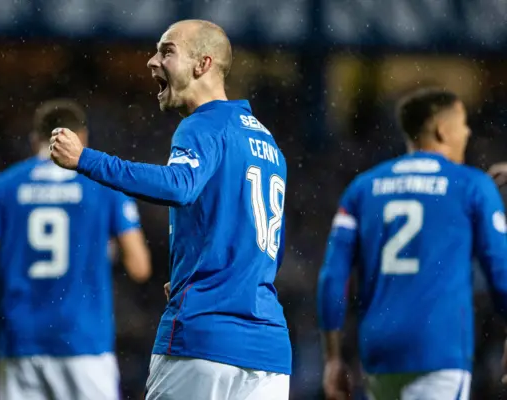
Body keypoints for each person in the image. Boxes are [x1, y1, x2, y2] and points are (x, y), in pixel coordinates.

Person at [50, 19, 291, 400]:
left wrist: (85, 159)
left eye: (167, 51)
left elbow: (179, 186)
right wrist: (196, 271)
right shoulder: (265, 140)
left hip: (204, 337)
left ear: (202, 64)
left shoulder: (203, 125)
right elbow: (255, 243)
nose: (151, 61)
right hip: (268, 349)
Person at [0, 99, 152, 400]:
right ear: (82, 138)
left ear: (35, 140)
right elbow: (139, 267)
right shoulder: (104, 185)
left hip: (22, 343)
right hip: (85, 342)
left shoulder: (3, 187)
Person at [317, 87, 507, 400]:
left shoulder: (363, 187)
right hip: (438, 347)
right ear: (442, 130)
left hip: (379, 350)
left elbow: (332, 278)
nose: (468, 131)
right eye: (462, 123)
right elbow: (501, 270)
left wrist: (333, 357)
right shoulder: (471, 185)